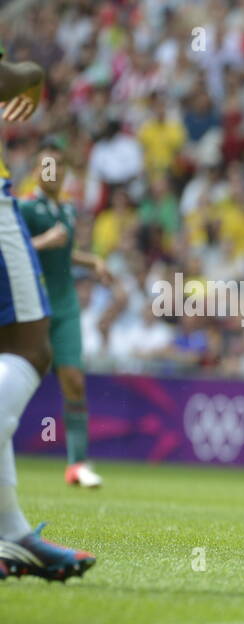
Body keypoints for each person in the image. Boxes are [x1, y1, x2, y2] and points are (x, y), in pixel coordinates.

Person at [0, 45, 96, 581]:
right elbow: (8, 77)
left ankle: (13, 536)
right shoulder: (34, 205)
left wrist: (89, 259)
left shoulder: (69, 208)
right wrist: (32, 77)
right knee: (28, 352)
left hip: (66, 296)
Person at [19, 136, 113, 488]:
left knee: (74, 381)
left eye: (58, 166)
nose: (53, 172)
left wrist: (93, 261)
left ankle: (78, 465)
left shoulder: (69, 210)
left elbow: (66, 252)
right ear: (36, 170)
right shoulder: (24, 209)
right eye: (46, 165)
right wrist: (44, 241)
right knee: (17, 383)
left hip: (66, 305)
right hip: (32, 308)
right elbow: (10, 251)